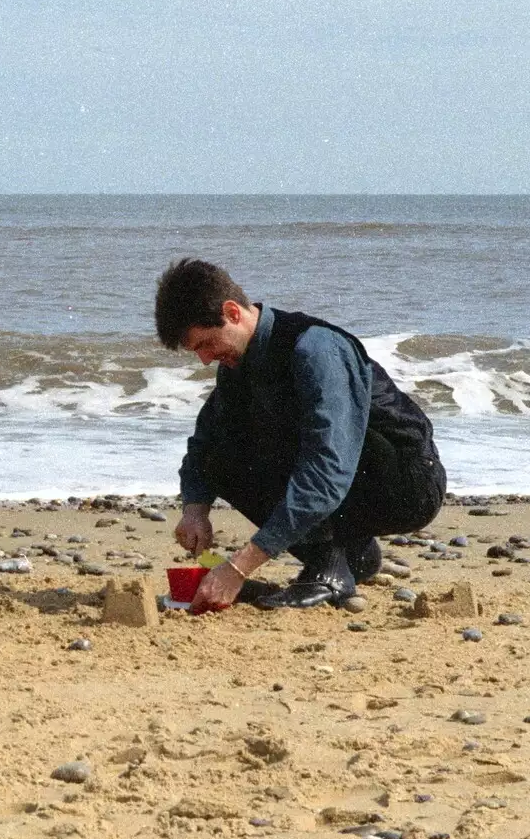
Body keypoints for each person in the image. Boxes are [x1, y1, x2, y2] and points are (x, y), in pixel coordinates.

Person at [155, 259, 446, 611]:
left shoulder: (315, 349)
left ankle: (330, 570)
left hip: (405, 481)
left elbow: (328, 468)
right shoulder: (236, 364)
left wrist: (238, 567)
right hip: (344, 478)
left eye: (206, 343)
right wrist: (195, 509)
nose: (204, 359)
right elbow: (205, 444)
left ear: (232, 313)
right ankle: (347, 557)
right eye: (196, 351)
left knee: (309, 455)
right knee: (224, 456)